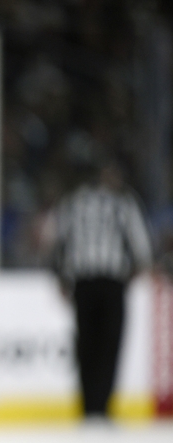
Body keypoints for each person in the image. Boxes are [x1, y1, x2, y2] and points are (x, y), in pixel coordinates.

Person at [51, 159, 153, 420]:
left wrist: (61, 278)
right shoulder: (123, 203)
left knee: (87, 344)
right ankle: (101, 406)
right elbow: (141, 250)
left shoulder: (74, 202)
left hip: (84, 282)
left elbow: (57, 244)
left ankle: (90, 406)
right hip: (111, 283)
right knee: (108, 344)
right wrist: (127, 278)